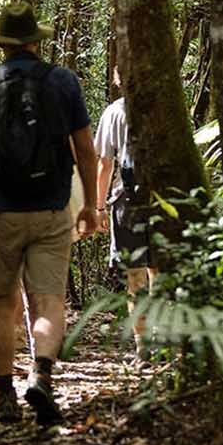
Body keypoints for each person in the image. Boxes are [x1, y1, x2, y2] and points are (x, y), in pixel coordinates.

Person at [0, 7, 98, 428]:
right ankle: (41, 374)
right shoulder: (64, 82)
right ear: (36, 41)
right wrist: (90, 204)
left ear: (2, 44)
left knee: (2, 305)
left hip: (1, 212)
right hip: (52, 209)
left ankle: (4, 394)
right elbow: (85, 149)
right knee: (48, 300)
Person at [93, 75, 155, 343]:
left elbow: (105, 164)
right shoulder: (162, 108)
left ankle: (144, 345)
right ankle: (160, 340)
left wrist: (99, 206)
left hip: (126, 200)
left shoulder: (113, 113)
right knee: (159, 271)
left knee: (135, 275)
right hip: (163, 200)